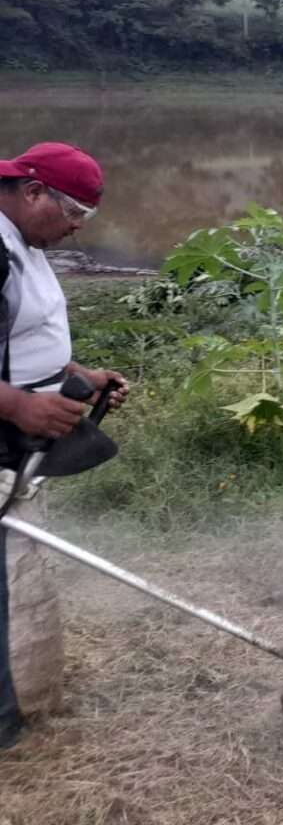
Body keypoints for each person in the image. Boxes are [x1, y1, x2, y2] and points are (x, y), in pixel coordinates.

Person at [0, 142, 130, 750]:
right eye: (74, 210)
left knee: (17, 569)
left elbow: (28, 337)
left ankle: (23, 694)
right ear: (32, 193)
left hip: (17, 445)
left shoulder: (24, 243)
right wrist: (20, 404)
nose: (78, 226)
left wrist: (79, 372)